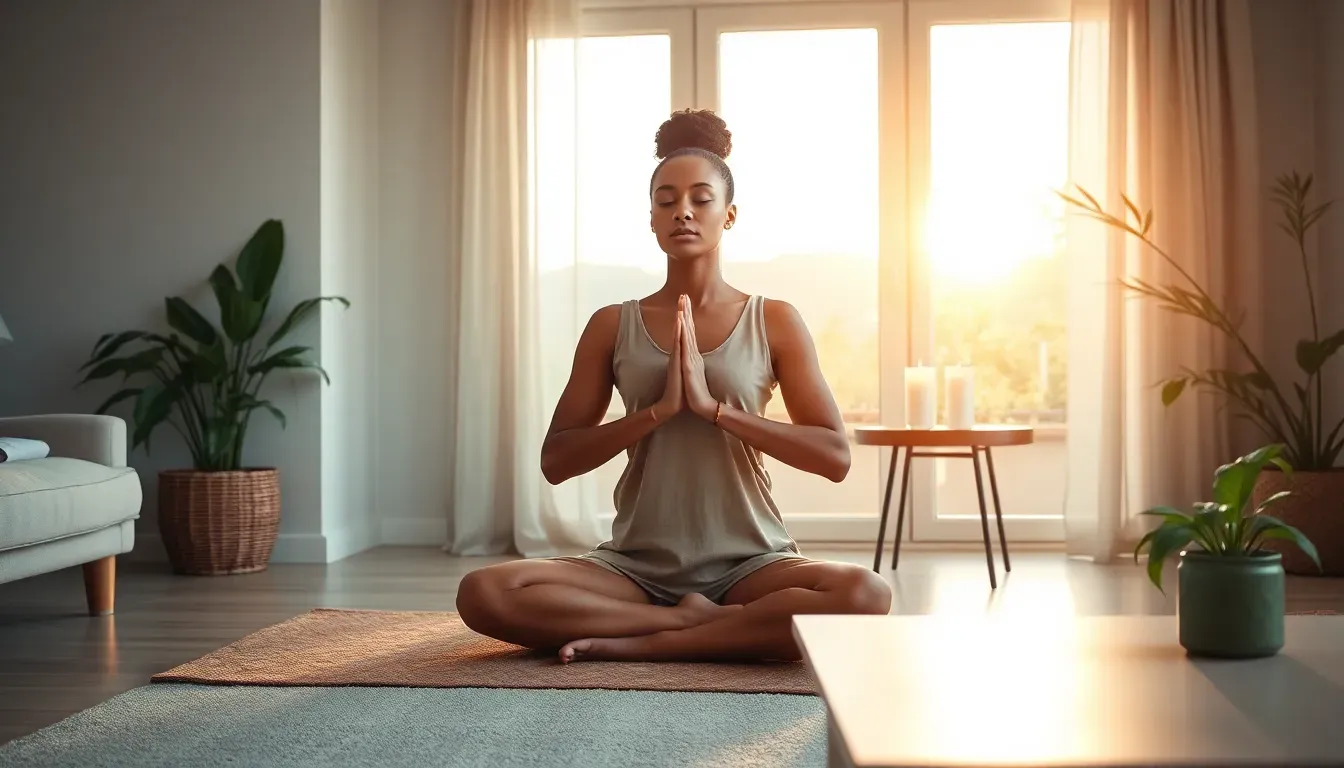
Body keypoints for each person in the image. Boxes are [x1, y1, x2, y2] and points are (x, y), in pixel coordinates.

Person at [455, 108, 892, 664]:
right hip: (635, 566)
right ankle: (695, 625)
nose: (682, 211)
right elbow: (557, 460)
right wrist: (657, 411)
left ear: (729, 215)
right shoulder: (612, 324)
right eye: (666, 200)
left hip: (752, 563)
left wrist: (715, 410)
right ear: (653, 219)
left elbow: (834, 457)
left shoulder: (775, 319)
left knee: (866, 593)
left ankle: (645, 642)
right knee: (485, 592)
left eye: (700, 199)